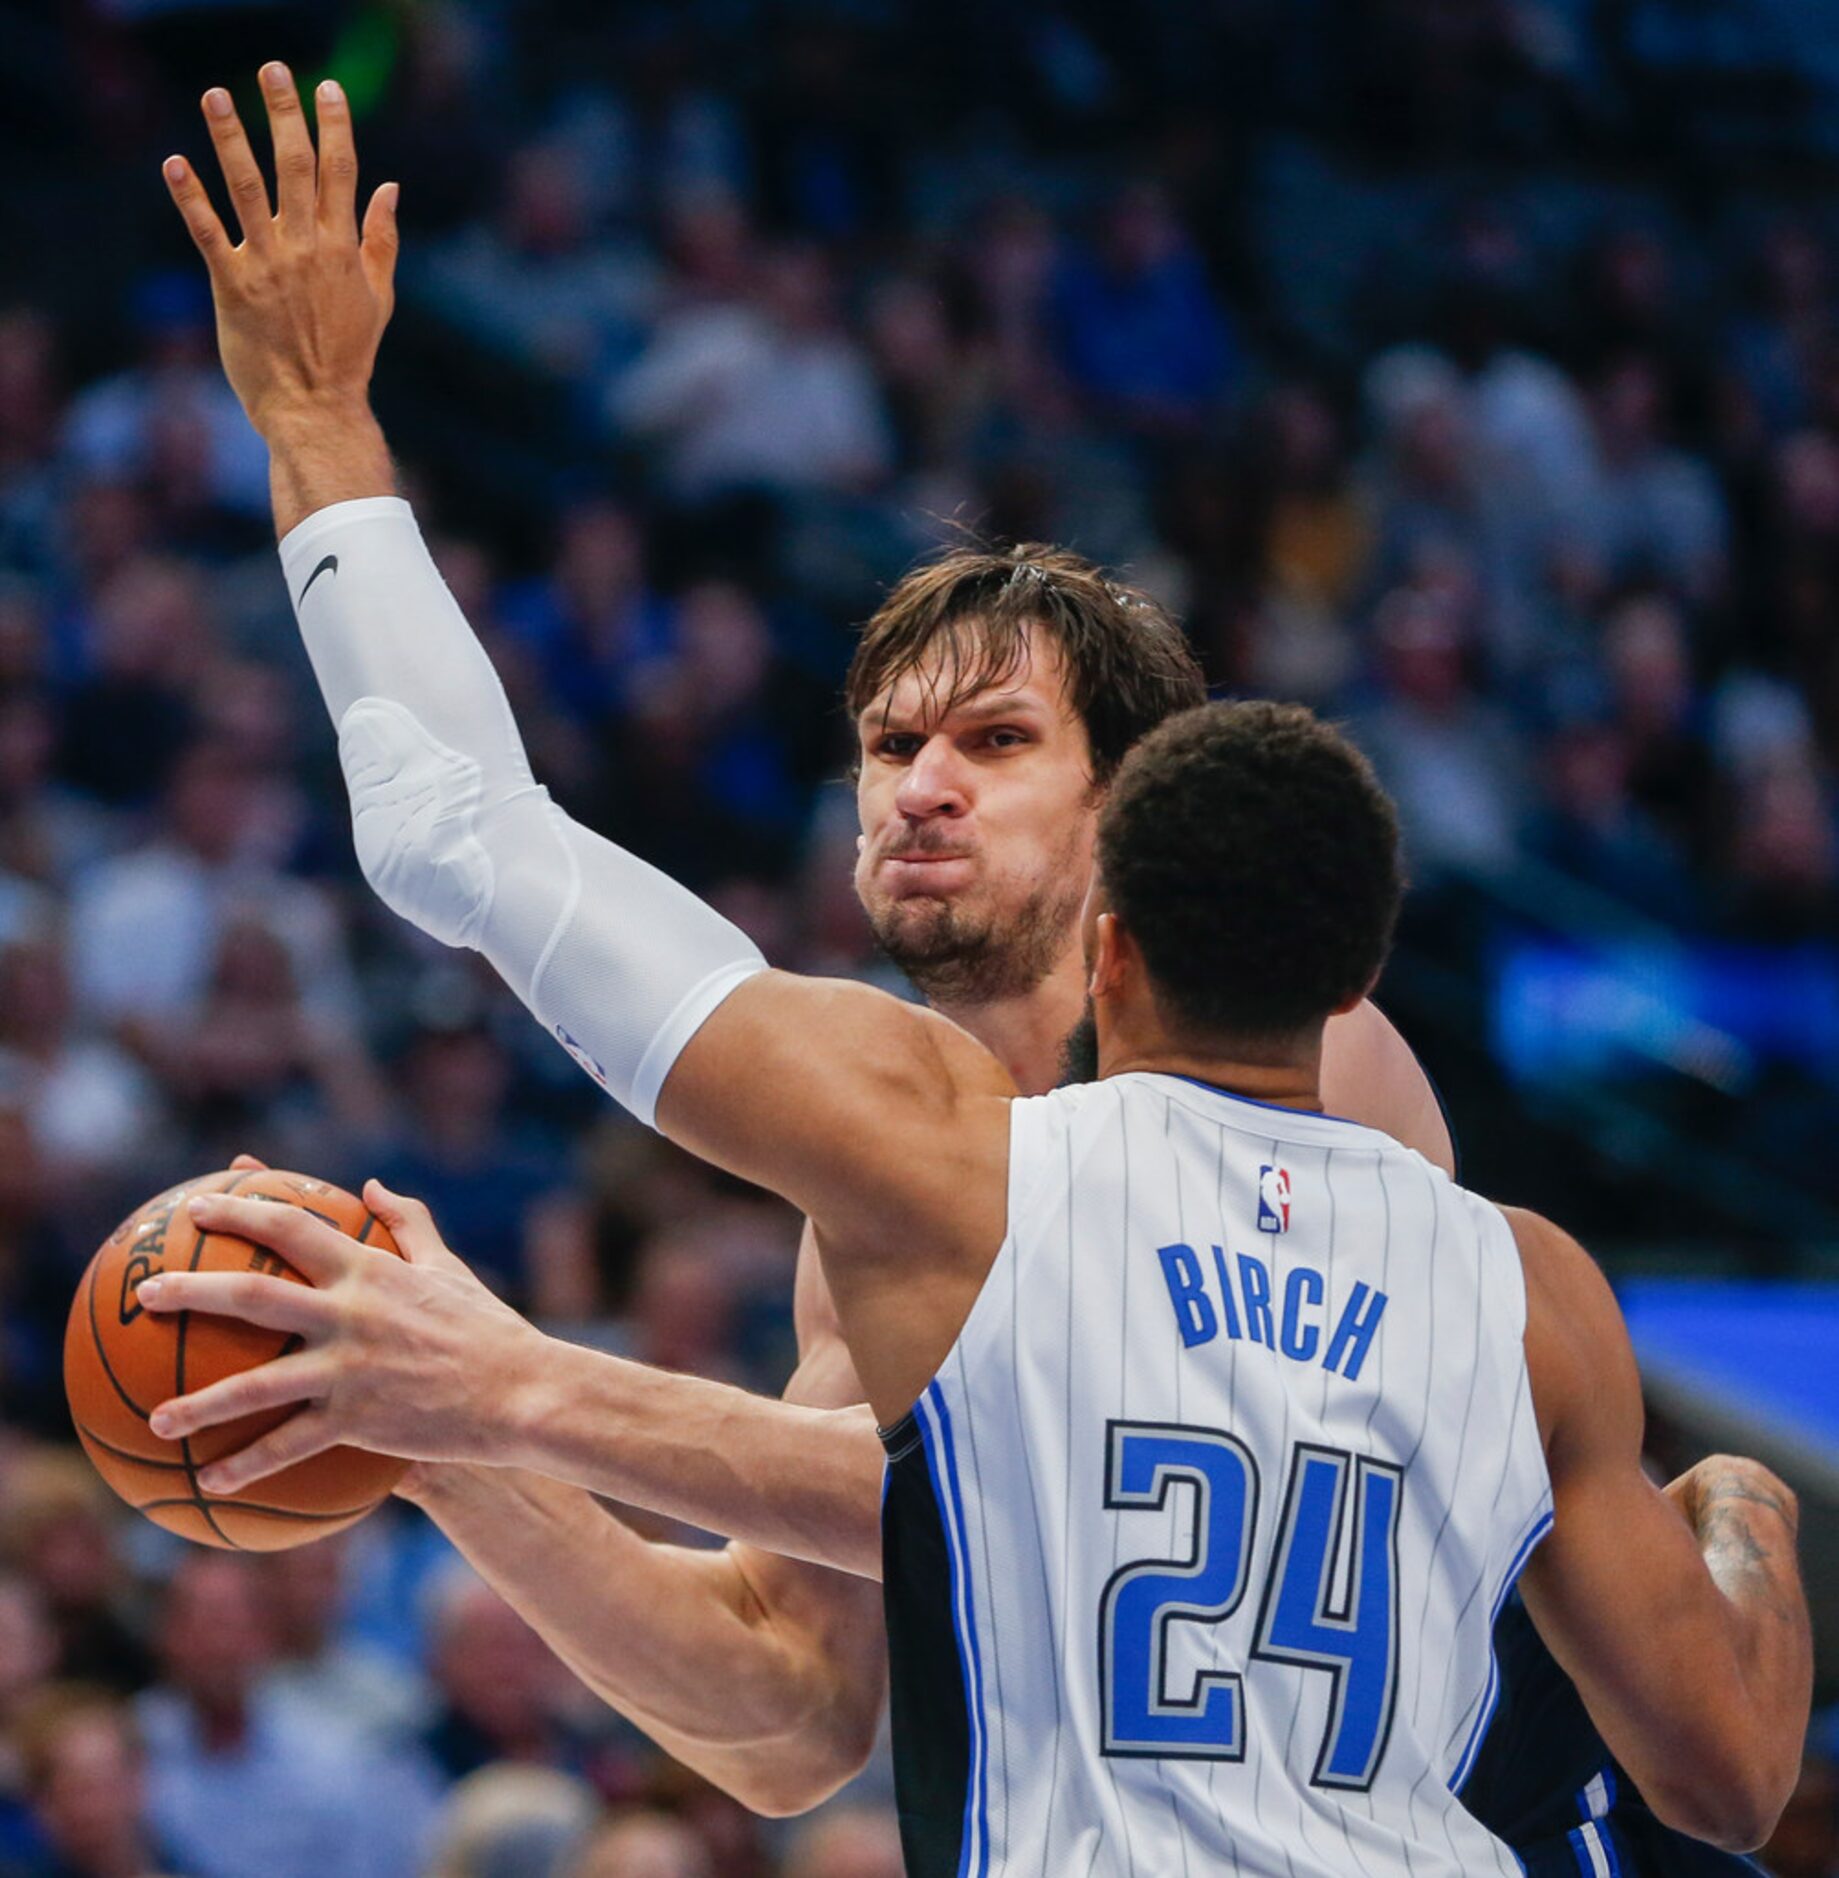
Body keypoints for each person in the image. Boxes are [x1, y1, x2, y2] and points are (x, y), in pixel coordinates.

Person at [145, 68, 1811, 1869]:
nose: (920, 783)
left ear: (1142, 812)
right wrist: (431, 1440)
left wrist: (508, 1384)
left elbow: (1077, 1476)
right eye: (886, 743)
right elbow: (789, 1712)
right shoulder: (877, 1206)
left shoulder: (1326, 1057)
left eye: (996, 740)